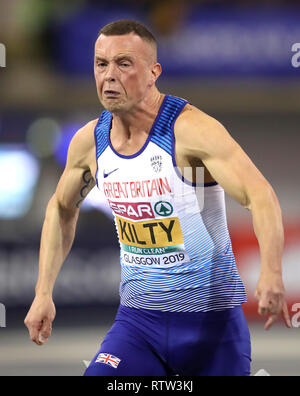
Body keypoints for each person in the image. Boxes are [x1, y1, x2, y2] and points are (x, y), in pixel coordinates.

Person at [24, 19, 291, 376]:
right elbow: (60, 208)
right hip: (138, 325)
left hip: (211, 328)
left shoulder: (191, 130)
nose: (109, 76)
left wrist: (272, 271)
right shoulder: (89, 142)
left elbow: (260, 195)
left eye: (123, 63)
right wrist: (43, 293)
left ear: (153, 72)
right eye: (101, 64)